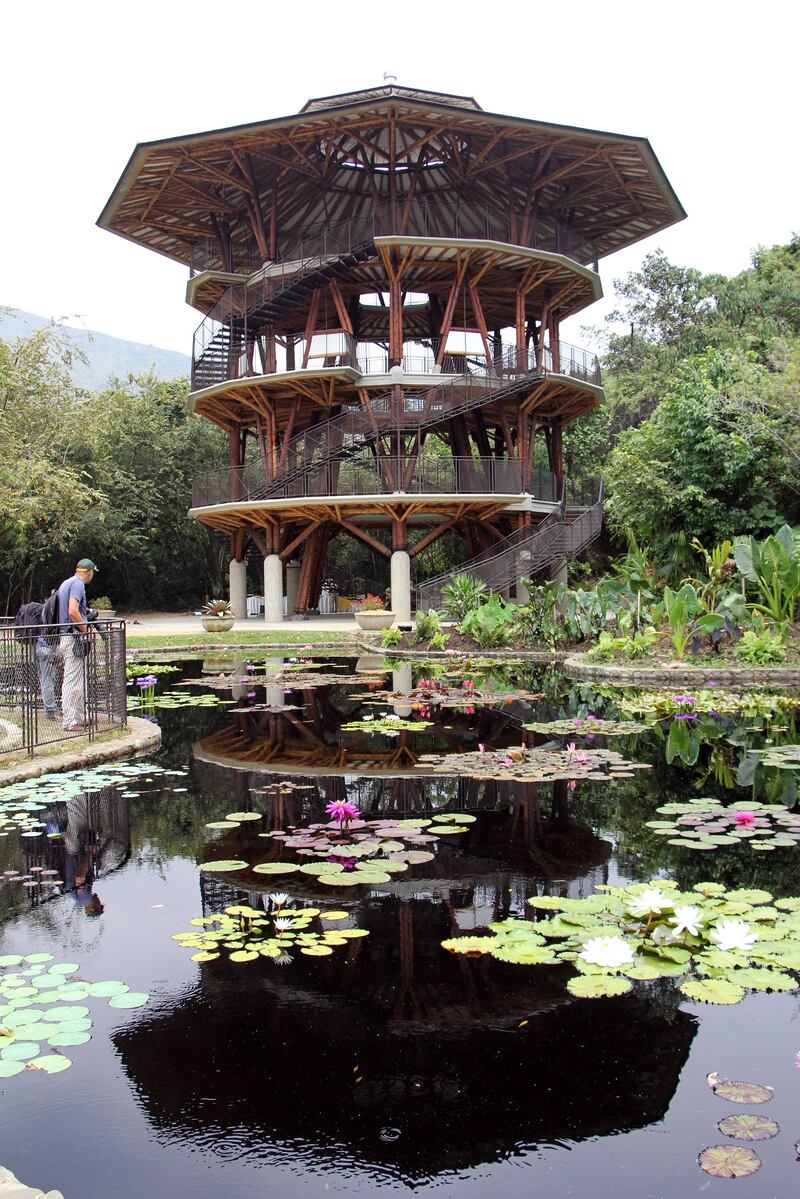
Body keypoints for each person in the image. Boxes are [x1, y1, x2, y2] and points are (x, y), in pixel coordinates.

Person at [57, 557, 99, 732]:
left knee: (77, 679)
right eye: (92, 573)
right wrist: (86, 630)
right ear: (88, 572)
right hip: (71, 637)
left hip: (67, 636)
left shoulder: (66, 583)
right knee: (71, 680)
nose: (92, 576)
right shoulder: (77, 584)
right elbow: (73, 611)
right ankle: (69, 721)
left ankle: (79, 717)